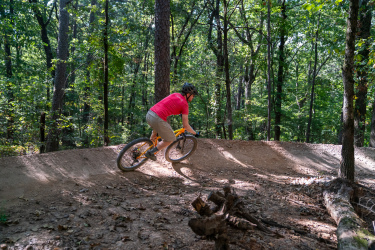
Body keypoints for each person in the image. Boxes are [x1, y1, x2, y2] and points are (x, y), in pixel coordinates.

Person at [145, 83, 200, 161]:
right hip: (157, 118)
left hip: (150, 113)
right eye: (193, 95)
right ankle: (151, 153)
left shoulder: (175, 94)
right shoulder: (184, 104)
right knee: (170, 139)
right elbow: (186, 126)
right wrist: (195, 133)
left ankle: (143, 149)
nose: (193, 97)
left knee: (156, 133)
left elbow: (170, 105)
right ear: (188, 94)